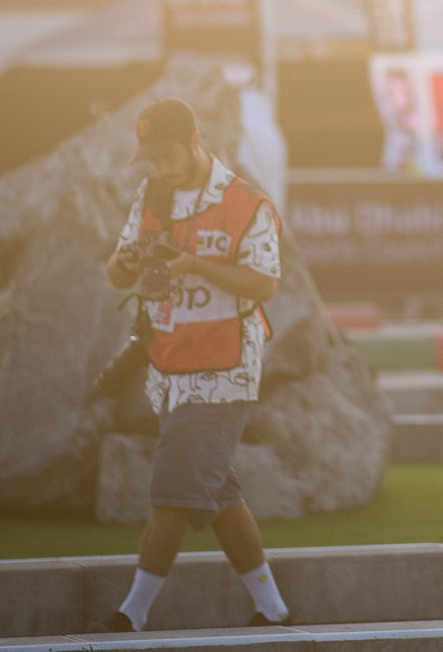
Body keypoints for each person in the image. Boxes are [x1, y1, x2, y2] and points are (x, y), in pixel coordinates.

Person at [97, 97, 288, 632]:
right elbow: (115, 271)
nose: (161, 167)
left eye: (168, 154)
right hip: (171, 362)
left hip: (227, 364)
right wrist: (130, 261)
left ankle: (132, 612)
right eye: (152, 158)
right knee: (217, 492)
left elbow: (265, 283)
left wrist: (194, 265)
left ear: (196, 139)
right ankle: (273, 609)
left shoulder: (247, 202)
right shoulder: (152, 194)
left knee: (172, 485)